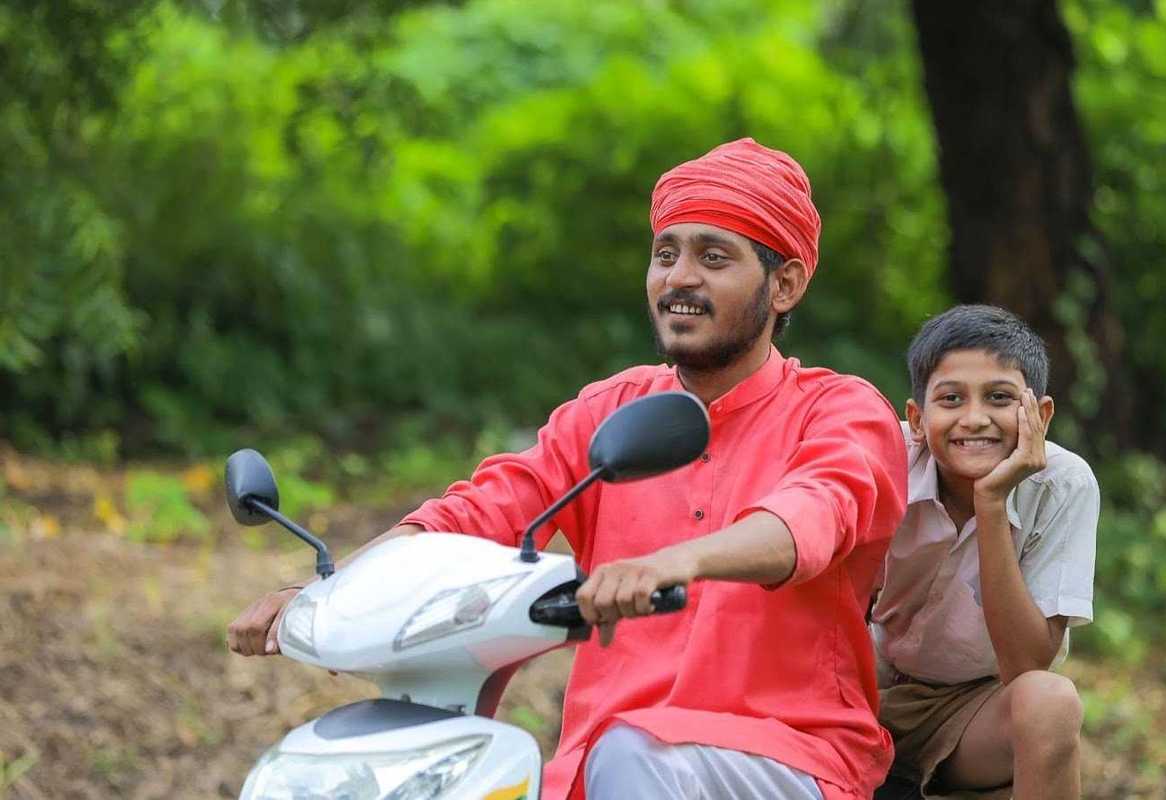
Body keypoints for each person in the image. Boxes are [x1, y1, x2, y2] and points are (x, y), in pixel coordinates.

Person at [228, 138, 908, 800]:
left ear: (784, 284)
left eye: (714, 257)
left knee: (634, 751)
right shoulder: (610, 410)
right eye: (665, 254)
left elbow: (809, 518)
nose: (679, 278)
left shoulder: (840, 411)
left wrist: (679, 562)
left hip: (786, 754)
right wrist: (327, 593)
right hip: (605, 760)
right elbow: (481, 510)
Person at [870, 305, 1100, 800]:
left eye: (999, 398)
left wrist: (991, 502)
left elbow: (1025, 667)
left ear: (1039, 415)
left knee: (1051, 702)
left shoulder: (1063, 484)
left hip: (973, 711)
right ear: (916, 418)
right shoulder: (882, 462)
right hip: (864, 695)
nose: (974, 420)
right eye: (951, 399)